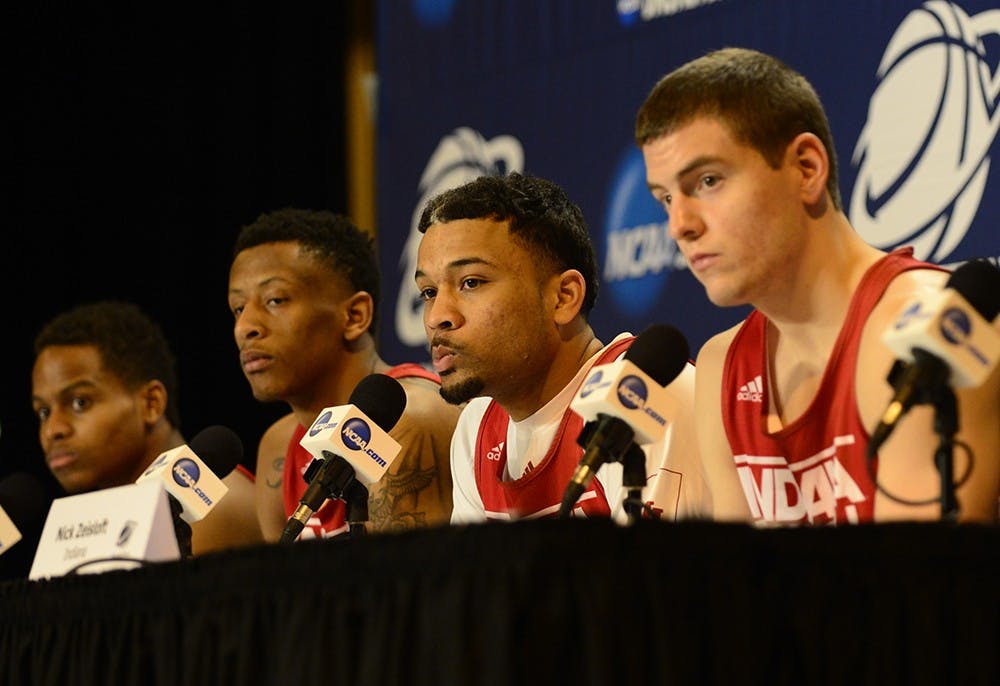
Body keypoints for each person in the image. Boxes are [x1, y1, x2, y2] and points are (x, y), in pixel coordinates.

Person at [634, 47, 1000, 524]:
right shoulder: (722, 365)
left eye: (707, 181)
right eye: (665, 198)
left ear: (807, 168)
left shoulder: (926, 337)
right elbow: (734, 588)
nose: (679, 225)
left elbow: (914, 587)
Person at [414, 171, 710, 522]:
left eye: (471, 282)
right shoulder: (476, 429)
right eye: (429, 292)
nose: (437, 317)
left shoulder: (643, 397)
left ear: (563, 297)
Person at [227, 208, 460, 541]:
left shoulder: (410, 421)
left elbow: (406, 590)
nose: (244, 327)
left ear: (355, 315)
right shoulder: (278, 444)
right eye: (238, 308)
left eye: (275, 300)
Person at [30, 300, 263, 556]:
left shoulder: (214, 507)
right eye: (43, 412)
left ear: (151, 403)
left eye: (80, 402)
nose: (53, 429)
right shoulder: (101, 521)